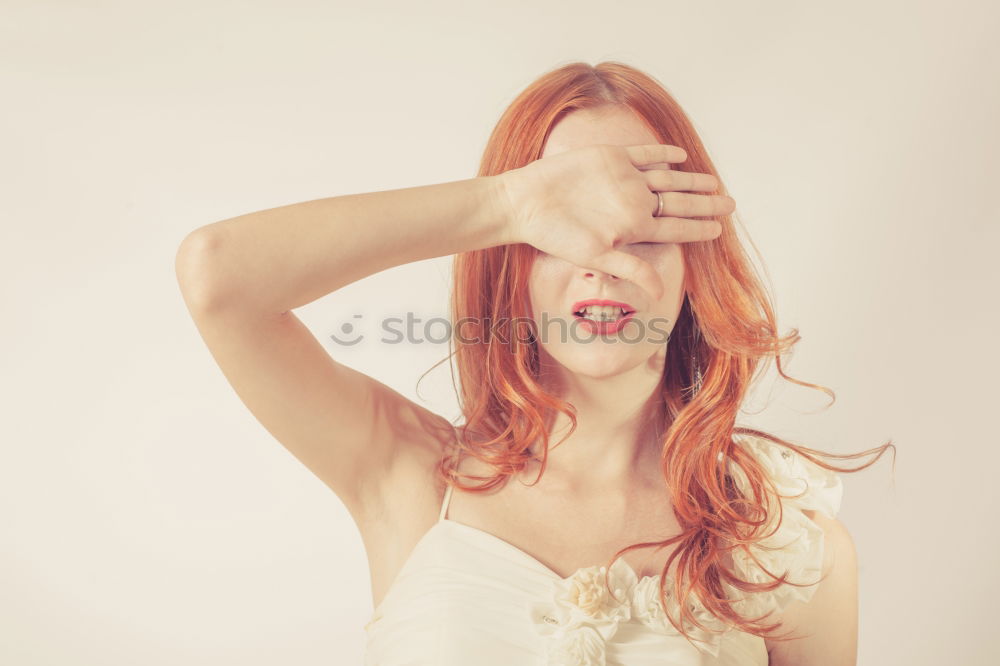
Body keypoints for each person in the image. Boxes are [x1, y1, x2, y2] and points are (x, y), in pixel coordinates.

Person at [175, 61, 892, 665]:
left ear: (693, 262)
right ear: (510, 259)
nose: (601, 261)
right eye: (564, 224)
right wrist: (512, 199)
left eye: (642, 222)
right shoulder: (406, 472)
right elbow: (218, 276)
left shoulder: (788, 546)